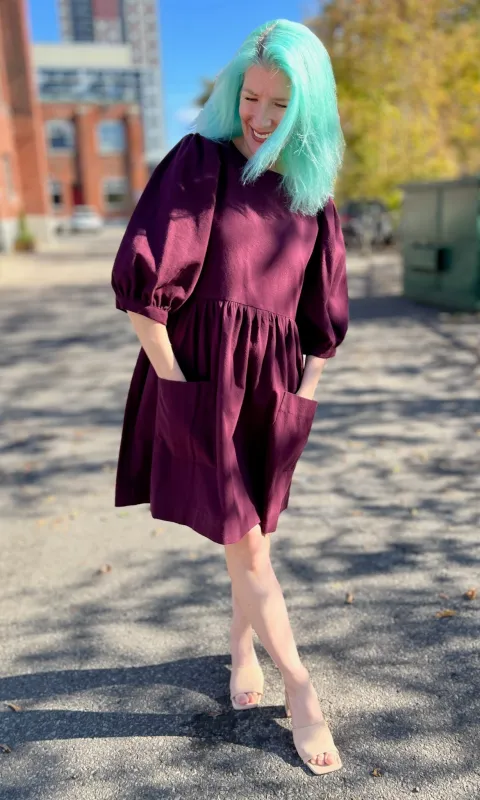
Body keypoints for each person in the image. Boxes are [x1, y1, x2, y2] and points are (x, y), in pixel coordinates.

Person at [111, 19, 348, 775]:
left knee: (251, 540)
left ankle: (241, 650)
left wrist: (303, 396)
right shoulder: (201, 163)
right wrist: (176, 385)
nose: (260, 118)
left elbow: (322, 326)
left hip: (273, 392)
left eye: (281, 106)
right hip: (204, 385)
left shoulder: (314, 199)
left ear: (309, 111)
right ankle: (301, 686)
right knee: (245, 543)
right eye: (251, 98)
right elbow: (145, 295)